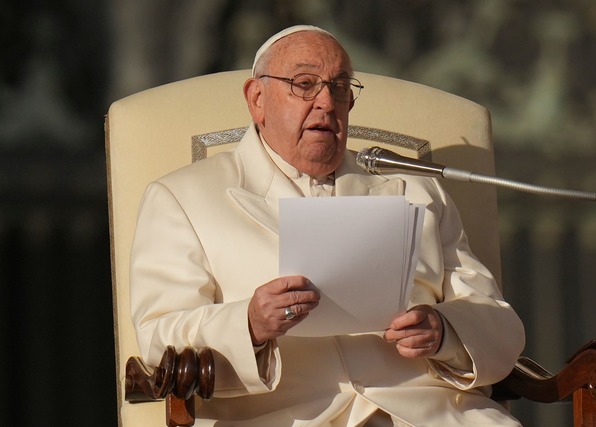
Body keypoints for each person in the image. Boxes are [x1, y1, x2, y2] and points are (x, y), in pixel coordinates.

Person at [130, 25, 525, 426]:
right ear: (257, 99)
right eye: (304, 84)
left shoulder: (416, 191)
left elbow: (498, 324)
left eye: (339, 88)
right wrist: (249, 323)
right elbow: (158, 338)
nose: (326, 102)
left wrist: (444, 332)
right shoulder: (183, 197)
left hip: (429, 415)